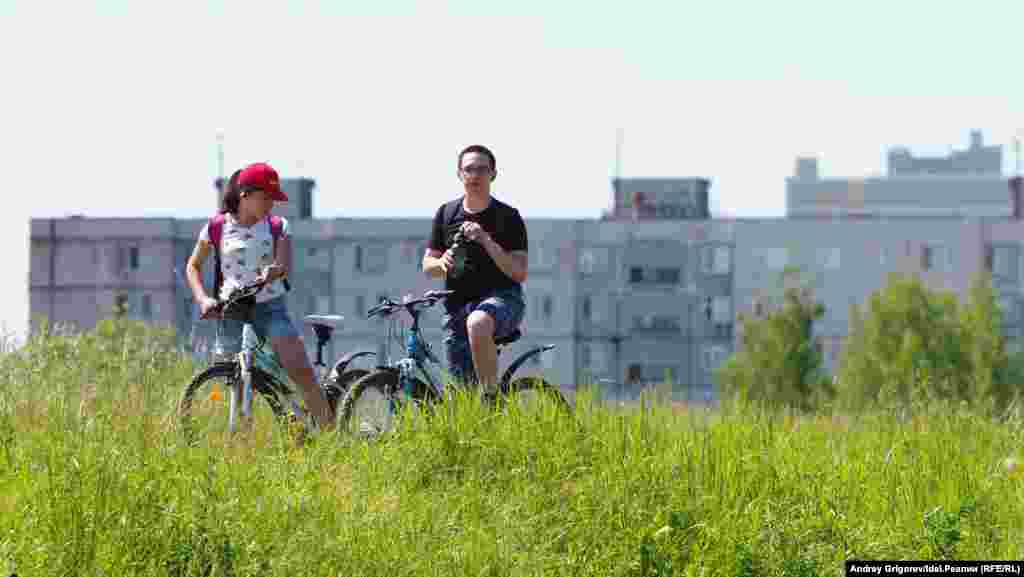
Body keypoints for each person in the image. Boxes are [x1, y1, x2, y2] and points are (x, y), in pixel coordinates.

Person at [185, 161, 335, 430]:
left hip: (270, 307)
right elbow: (193, 266)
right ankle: (243, 437)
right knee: (235, 377)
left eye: (274, 199)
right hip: (232, 309)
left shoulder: (278, 226)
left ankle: (330, 433)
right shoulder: (216, 227)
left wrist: (273, 271)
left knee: (300, 370)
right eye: (265, 197)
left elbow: (283, 265)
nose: (270, 204)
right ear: (245, 195)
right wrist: (203, 299)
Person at [422, 145, 529, 390]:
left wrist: (485, 240)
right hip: (457, 306)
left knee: (477, 322)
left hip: (503, 300)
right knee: (462, 395)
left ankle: (490, 398)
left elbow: (519, 272)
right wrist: (441, 263)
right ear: (459, 174)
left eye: (482, 169)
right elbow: (428, 266)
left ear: (493, 174)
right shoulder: (447, 213)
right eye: (469, 169)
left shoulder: (508, 217)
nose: (475, 175)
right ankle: (483, 407)